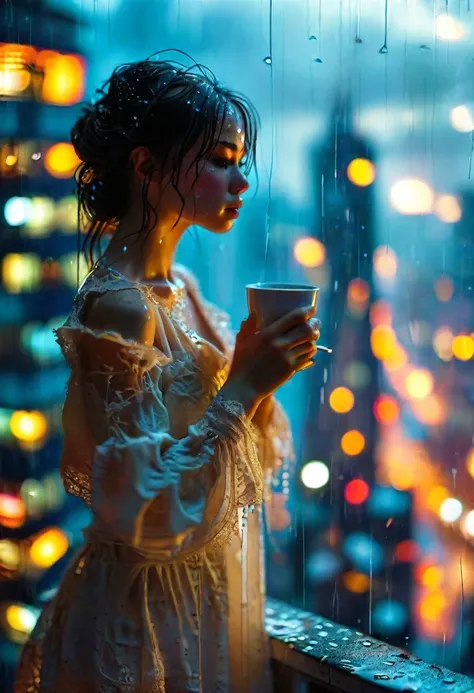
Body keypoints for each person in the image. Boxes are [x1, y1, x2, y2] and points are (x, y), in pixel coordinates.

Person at [15, 51, 321, 693]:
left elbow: (242, 467)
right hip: (148, 620)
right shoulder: (120, 307)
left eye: (239, 163)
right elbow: (141, 513)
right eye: (219, 160)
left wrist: (259, 377)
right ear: (147, 167)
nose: (240, 184)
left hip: (199, 601)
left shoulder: (179, 287)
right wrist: (245, 385)